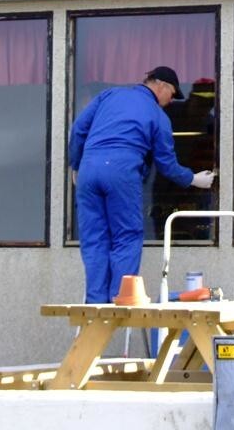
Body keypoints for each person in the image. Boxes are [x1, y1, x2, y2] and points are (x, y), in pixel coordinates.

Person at [69, 66, 215, 303]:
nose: (170, 102)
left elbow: (78, 129)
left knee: (94, 239)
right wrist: (194, 179)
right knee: (127, 236)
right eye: (172, 95)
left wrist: (76, 165)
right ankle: (119, 298)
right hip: (122, 172)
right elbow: (167, 164)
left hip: (88, 170)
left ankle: (95, 302)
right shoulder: (157, 115)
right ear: (162, 86)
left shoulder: (109, 95)